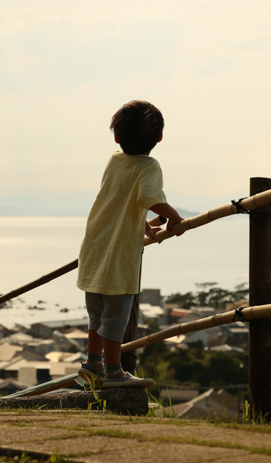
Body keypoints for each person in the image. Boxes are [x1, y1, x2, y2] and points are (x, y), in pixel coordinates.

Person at [77, 100, 184, 388]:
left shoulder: (114, 160)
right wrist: (174, 218)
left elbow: (119, 202)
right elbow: (151, 198)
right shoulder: (149, 166)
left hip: (95, 246)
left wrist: (142, 224)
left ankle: (91, 364)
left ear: (116, 136)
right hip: (118, 257)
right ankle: (113, 372)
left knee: (96, 315)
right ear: (159, 137)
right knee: (115, 318)